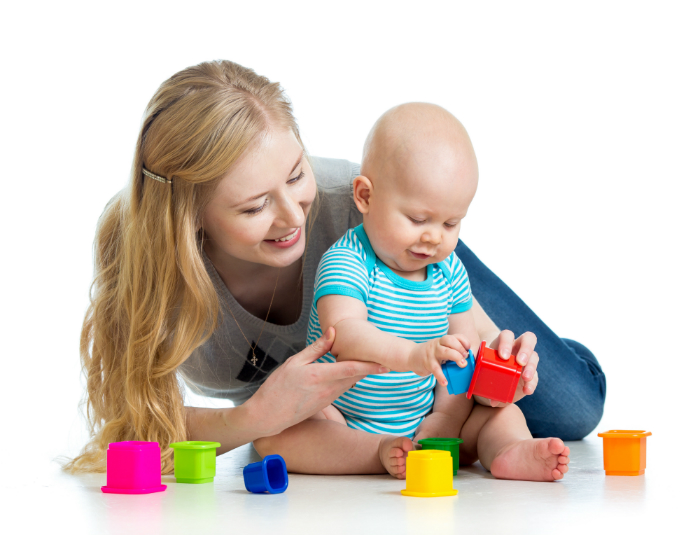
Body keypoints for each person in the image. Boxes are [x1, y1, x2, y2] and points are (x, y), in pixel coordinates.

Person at [65, 60, 605, 475]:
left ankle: (566, 354)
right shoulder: (146, 264)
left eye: (296, 174)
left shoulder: (360, 208)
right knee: (279, 440)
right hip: (344, 419)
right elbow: (138, 429)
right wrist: (255, 417)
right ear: (191, 218)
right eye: (254, 207)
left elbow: (466, 339)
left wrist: (503, 363)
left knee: (573, 408)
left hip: (417, 328)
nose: (291, 217)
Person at [253, 103, 570, 481]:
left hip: (427, 421)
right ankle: (376, 452)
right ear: (365, 197)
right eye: (418, 219)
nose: (434, 236)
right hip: (342, 419)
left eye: (451, 223)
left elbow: (463, 360)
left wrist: (467, 404)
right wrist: (415, 355)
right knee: (274, 437)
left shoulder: (449, 271)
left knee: (501, 413)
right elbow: (345, 336)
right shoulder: (347, 261)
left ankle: (507, 451)